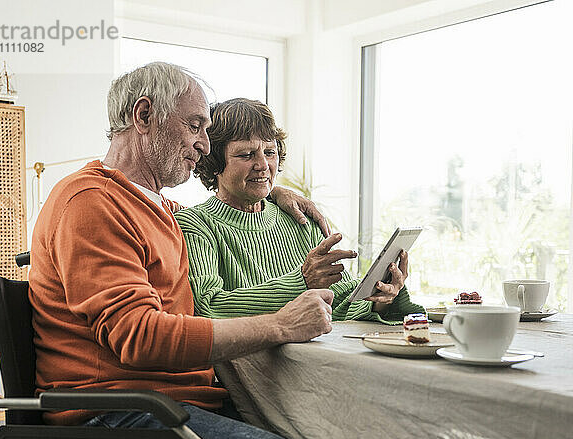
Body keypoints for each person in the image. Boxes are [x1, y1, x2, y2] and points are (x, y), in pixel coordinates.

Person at [28, 62, 397, 439]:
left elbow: (227, 215)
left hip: (176, 404)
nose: (203, 145)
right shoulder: (91, 204)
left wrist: (270, 191)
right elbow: (140, 337)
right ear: (144, 117)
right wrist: (280, 325)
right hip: (123, 415)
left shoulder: (157, 208)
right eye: (195, 126)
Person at [175, 98, 424, 322]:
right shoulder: (195, 225)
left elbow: (340, 304)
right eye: (246, 154)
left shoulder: (299, 218)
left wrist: (380, 297)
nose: (263, 165)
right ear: (214, 162)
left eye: (270, 152)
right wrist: (301, 283)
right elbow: (208, 307)